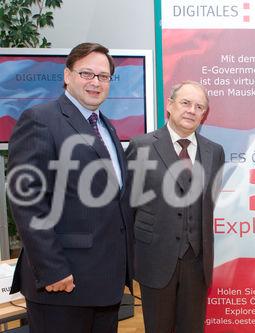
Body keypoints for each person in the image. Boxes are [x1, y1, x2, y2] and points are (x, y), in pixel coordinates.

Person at [7, 42, 133, 332]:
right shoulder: (40, 120)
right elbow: (27, 201)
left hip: (104, 285)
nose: (96, 82)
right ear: (67, 75)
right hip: (63, 285)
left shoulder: (107, 127)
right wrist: (52, 269)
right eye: (87, 73)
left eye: (103, 77)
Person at [126, 81, 225, 333]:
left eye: (199, 106)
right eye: (185, 103)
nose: (192, 110)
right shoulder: (142, 146)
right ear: (170, 106)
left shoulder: (215, 152)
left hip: (196, 261)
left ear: (204, 114)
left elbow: (208, 203)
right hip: (155, 258)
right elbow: (128, 208)